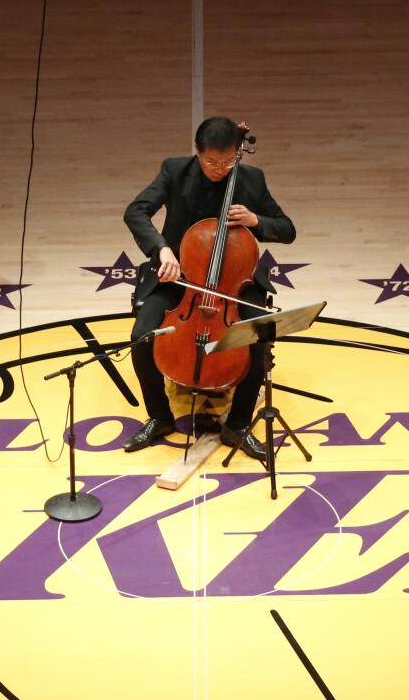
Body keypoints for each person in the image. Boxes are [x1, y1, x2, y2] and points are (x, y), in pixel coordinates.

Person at [122, 117, 296, 459]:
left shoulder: (251, 178)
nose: (220, 169)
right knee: (142, 335)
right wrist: (162, 248)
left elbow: (287, 229)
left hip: (233, 281)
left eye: (228, 161)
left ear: (237, 154)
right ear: (198, 153)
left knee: (259, 340)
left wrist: (256, 221)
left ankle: (238, 425)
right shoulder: (174, 170)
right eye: (211, 162)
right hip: (181, 279)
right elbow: (136, 212)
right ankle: (159, 417)